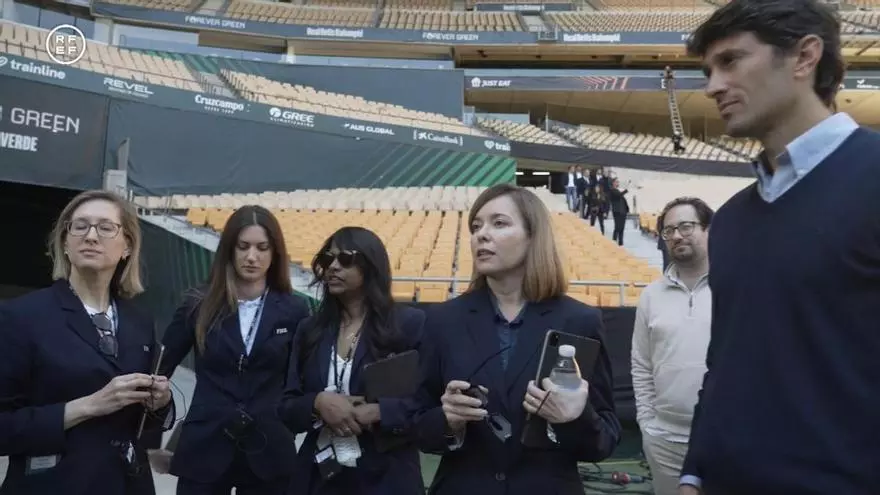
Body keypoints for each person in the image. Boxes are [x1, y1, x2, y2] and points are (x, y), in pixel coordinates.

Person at [681, 1, 880, 494]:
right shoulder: (727, 221)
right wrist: (693, 471)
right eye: (708, 70)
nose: (712, 87)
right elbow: (724, 362)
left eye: (731, 61)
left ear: (804, 57)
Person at [413, 183, 620, 495]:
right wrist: (447, 420)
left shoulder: (580, 321)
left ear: (533, 236)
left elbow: (604, 438)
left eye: (499, 223)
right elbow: (416, 424)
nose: (481, 234)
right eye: (476, 226)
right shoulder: (443, 320)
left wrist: (575, 417)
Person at [0, 190, 173, 495]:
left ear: (127, 247)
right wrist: (88, 406)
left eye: (106, 228)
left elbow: (143, 427)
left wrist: (160, 403)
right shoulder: (20, 317)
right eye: (80, 226)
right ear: (66, 244)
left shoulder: (140, 322)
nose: (91, 236)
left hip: (128, 484)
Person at [159, 205, 311, 495]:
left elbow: (301, 379)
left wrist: (287, 425)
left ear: (274, 252)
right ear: (229, 249)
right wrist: (151, 439)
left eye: (262, 247)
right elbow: (158, 369)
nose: (251, 256)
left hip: (269, 450)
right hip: (205, 446)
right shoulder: (197, 304)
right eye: (243, 246)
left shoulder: (295, 310)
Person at [279, 226, 426, 495]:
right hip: (319, 478)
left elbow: (429, 403)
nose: (333, 267)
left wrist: (379, 412)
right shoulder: (309, 329)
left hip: (387, 479)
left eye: (345, 258)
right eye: (327, 259)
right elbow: (287, 406)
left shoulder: (409, 325)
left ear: (371, 265)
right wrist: (317, 403)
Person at [631, 197, 714, 495]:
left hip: (723, 438)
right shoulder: (651, 296)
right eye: (669, 231)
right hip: (664, 441)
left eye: (686, 226)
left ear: (709, 230)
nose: (677, 235)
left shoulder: (736, 286)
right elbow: (641, 365)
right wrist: (647, 426)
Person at [608, 179, 629, 246]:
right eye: (616, 182)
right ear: (613, 183)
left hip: (623, 212)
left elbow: (622, 199)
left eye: (618, 182)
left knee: (621, 228)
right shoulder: (612, 190)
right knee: (617, 227)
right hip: (617, 211)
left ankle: (621, 243)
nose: (618, 183)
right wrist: (626, 190)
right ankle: (614, 242)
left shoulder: (617, 191)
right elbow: (618, 195)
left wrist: (626, 209)